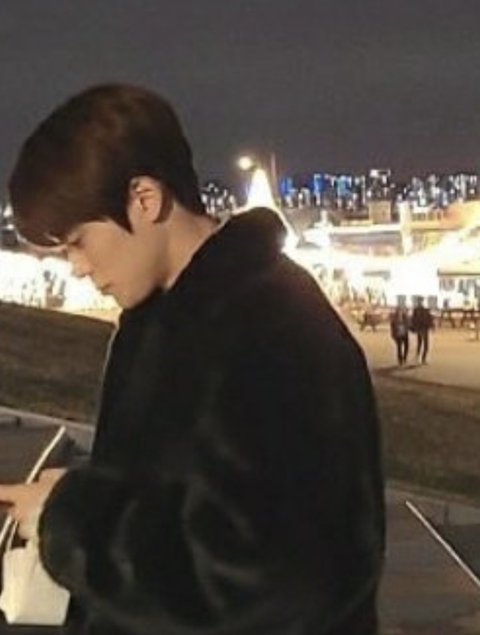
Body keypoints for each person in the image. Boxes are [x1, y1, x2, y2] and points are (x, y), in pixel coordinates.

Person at [0, 84, 385, 635]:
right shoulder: (165, 317)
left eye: (78, 241)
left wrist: (72, 520)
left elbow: (276, 575)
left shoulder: (273, 327)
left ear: (144, 199)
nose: (76, 267)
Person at [410, 297, 434, 364]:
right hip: (420, 329)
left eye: (421, 301)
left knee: (424, 344)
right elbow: (413, 320)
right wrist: (414, 328)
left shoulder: (425, 310)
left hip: (424, 328)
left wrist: (431, 326)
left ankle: (423, 358)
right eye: (419, 301)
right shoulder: (416, 310)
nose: (420, 302)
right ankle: (418, 357)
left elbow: (429, 318)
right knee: (420, 343)